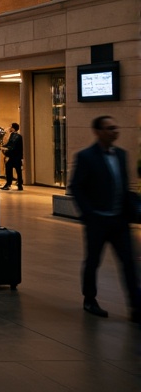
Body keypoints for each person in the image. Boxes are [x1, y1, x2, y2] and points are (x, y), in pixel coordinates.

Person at [68, 115, 140, 321]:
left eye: (115, 128)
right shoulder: (86, 157)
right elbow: (76, 187)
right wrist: (88, 214)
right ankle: (89, 299)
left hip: (119, 221)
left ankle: (136, 306)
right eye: (110, 128)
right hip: (97, 221)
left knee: (128, 262)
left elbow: (124, 187)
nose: (115, 131)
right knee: (93, 261)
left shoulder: (122, 155)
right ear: (98, 132)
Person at [1, 122, 24, 191]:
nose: (9, 128)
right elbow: (8, 144)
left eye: (10, 127)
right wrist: (3, 146)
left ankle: (14, 184)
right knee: (13, 169)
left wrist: (6, 148)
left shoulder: (17, 136)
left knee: (17, 170)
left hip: (16, 156)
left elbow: (13, 146)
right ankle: (14, 184)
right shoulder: (12, 135)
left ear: (13, 128)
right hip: (14, 156)